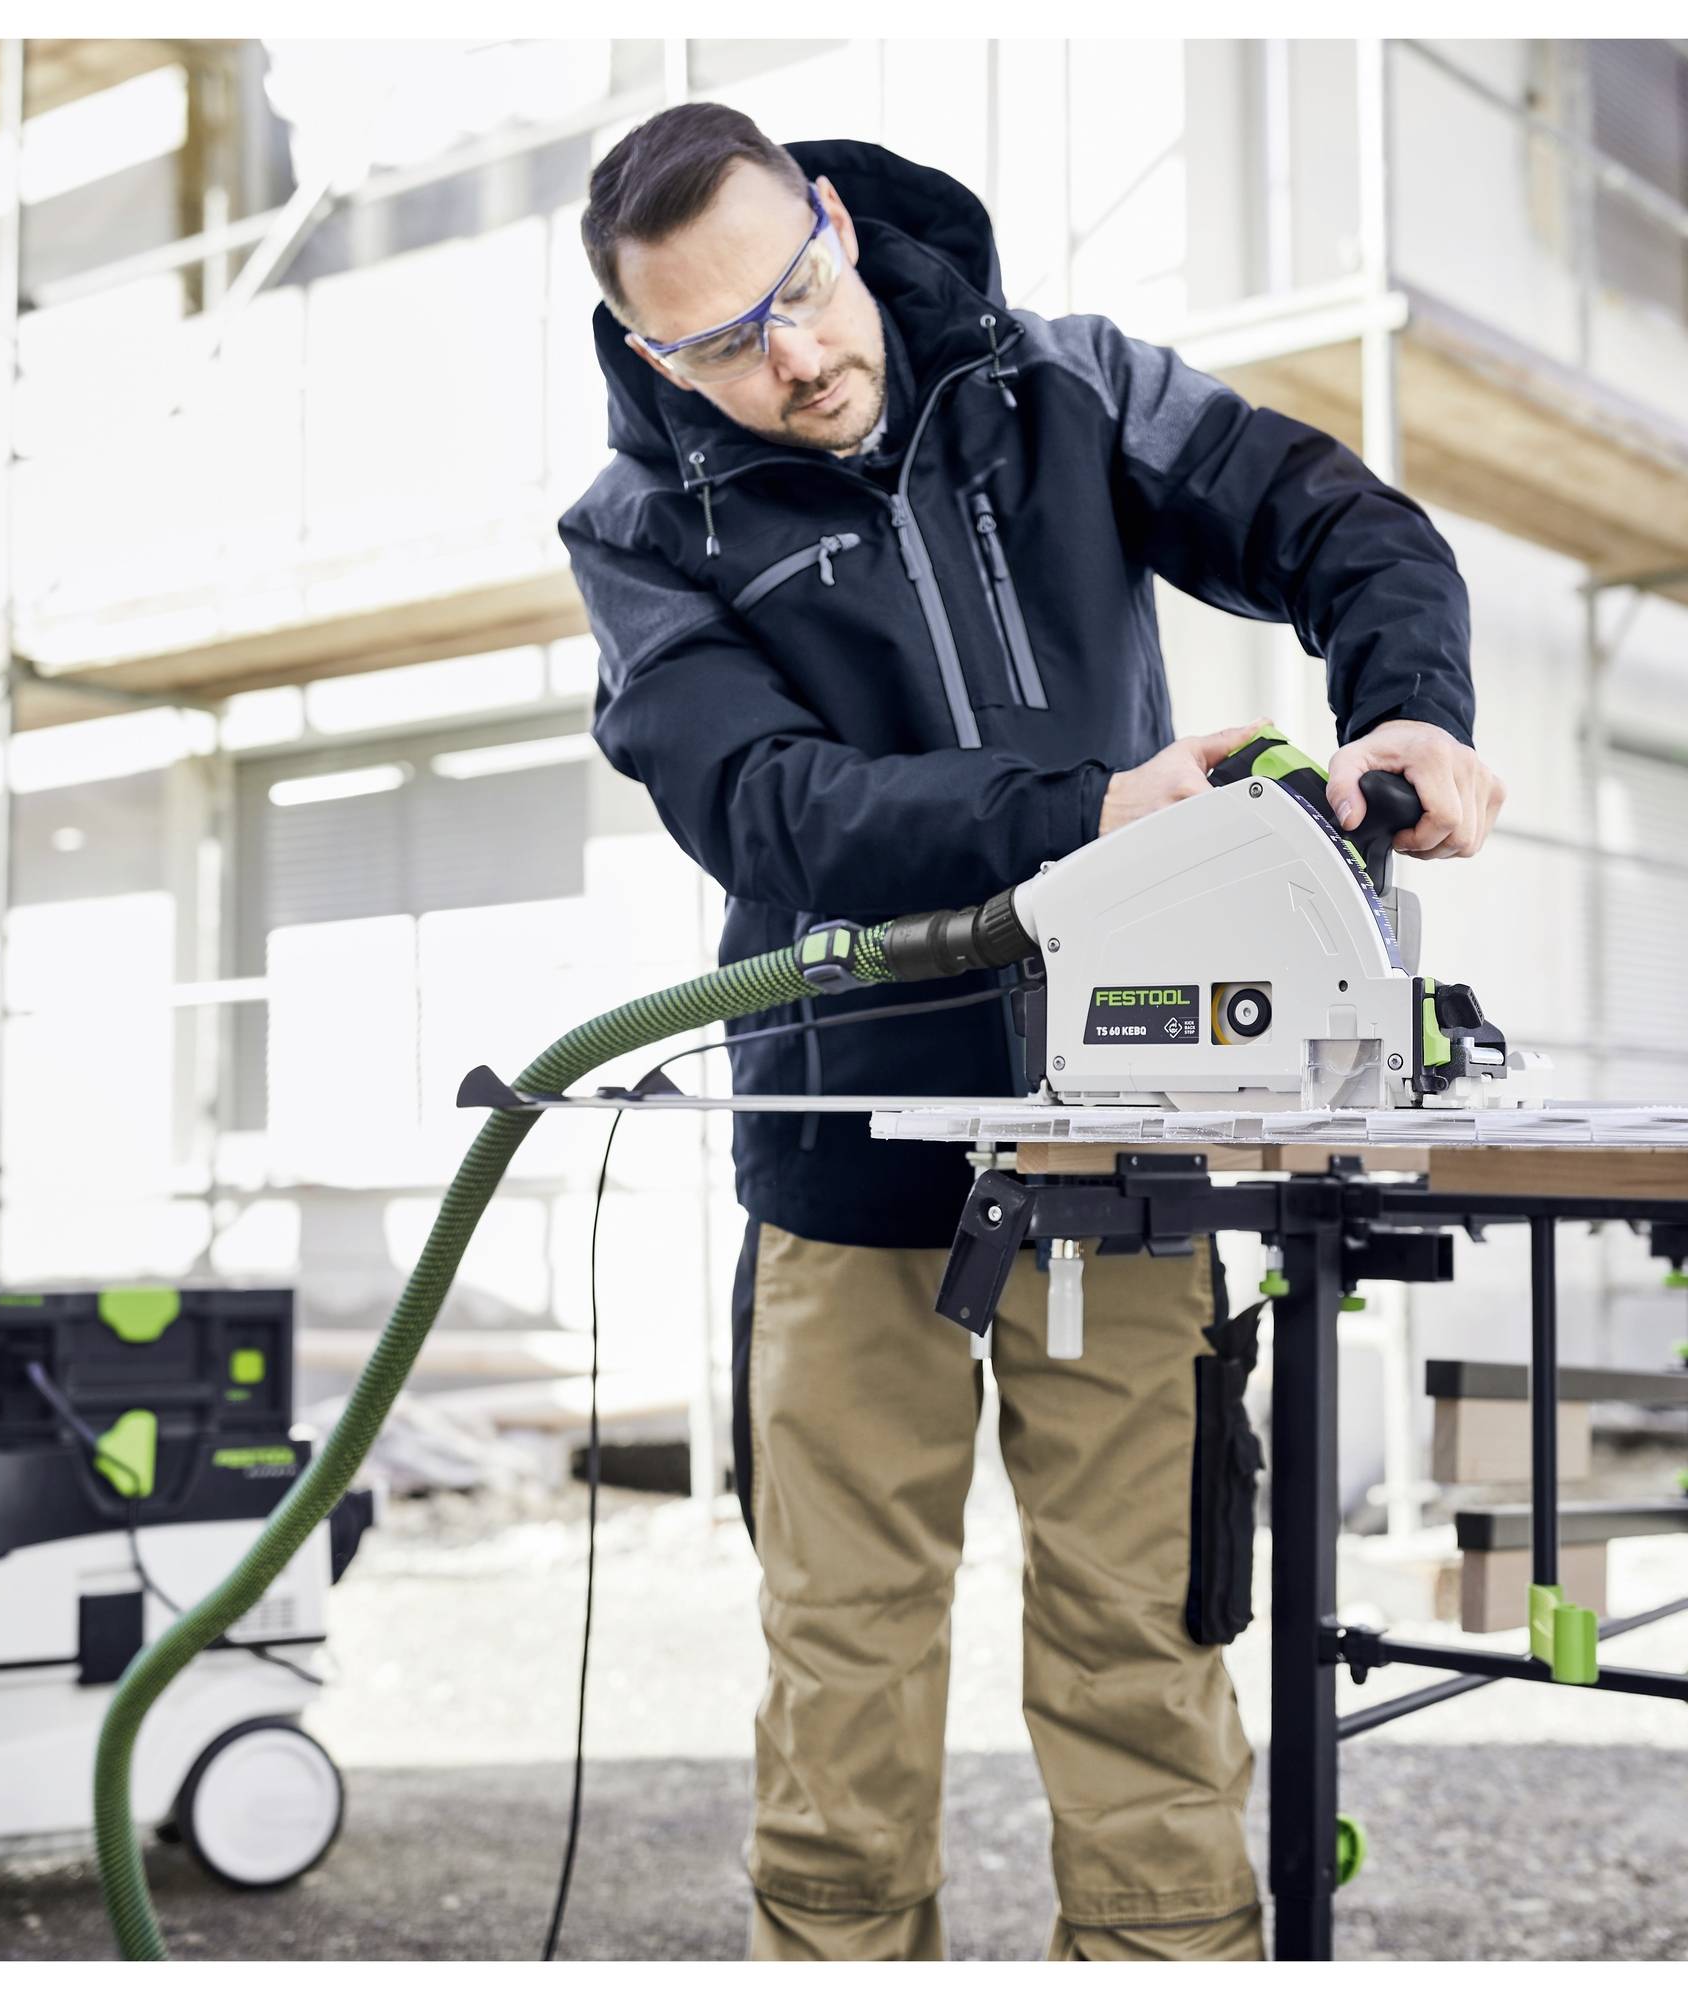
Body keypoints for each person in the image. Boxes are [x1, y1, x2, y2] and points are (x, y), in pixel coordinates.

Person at [559, 103, 1500, 1961]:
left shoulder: (1064, 387)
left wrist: (1411, 708)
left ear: (830, 222)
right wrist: (1087, 816)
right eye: (721, 347)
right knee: (843, 1684)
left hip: (1116, 1147)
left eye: (799, 294)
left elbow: (1338, 521)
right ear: (648, 350)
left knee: (1147, 1654)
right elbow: (770, 806)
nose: (795, 357)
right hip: (846, 1170)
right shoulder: (639, 537)